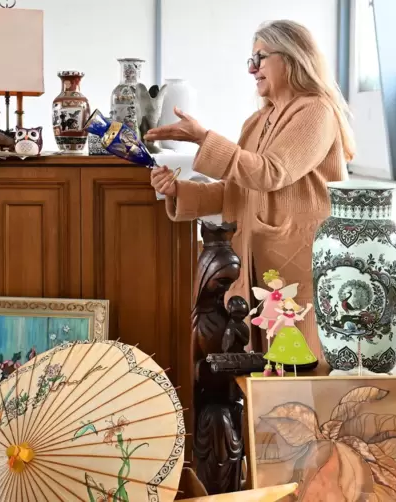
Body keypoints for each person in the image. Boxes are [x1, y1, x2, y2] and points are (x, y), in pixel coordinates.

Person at [146, 19, 355, 359]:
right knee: (259, 377)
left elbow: (271, 173)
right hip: (253, 266)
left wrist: (203, 138)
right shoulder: (257, 121)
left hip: (292, 265)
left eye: (260, 59)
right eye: (250, 61)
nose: (252, 70)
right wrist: (177, 191)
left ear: (291, 58)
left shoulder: (316, 111)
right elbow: (238, 191)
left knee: (295, 372)